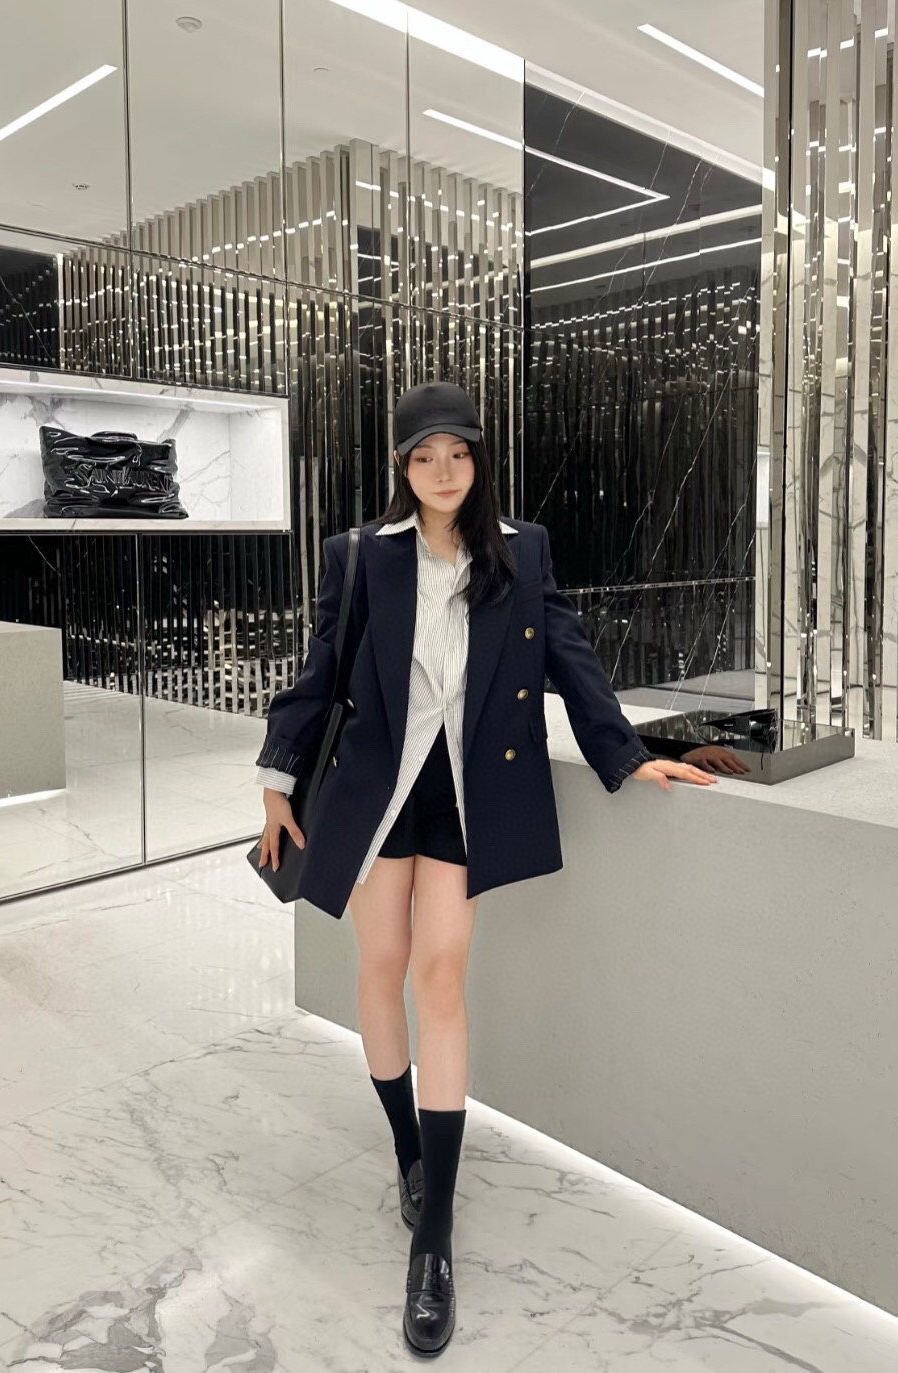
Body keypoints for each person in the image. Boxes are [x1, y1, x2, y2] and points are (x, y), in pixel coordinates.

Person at [255, 382, 717, 1359]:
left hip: (469, 794)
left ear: (477, 459)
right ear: (402, 466)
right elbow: (319, 671)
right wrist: (277, 782)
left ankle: (433, 1236)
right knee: (380, 968)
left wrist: (627, 752)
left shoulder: (521, 549)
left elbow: (570, 657)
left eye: (458, 454)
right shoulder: (360, 554)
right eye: (424, 456)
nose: (443, 471)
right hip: (379, 790)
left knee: (440, 977)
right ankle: (407, 1150)